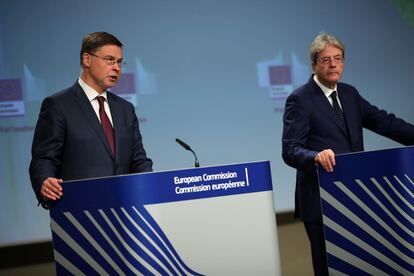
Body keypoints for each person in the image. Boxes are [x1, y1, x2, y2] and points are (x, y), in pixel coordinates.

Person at [282, 32, 414, 275]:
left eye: (338, 58)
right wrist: (315, 157)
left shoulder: (350, 94)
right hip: (321, 200)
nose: (333, 64)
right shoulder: (299, 99)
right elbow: (290, 150)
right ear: (314, 65)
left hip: (355, 196)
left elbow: (384, 122)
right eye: (326, 60)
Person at [29, 31, 153, 209]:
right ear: (87, 59)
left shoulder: (125, 109)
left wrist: (151, 185)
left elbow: (138, 160)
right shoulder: (58, 105)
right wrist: (44, 181)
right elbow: (43, 159)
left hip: (127, 212)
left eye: (119, 62)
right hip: (80, 213)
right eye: (110, 60)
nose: (117, 68)